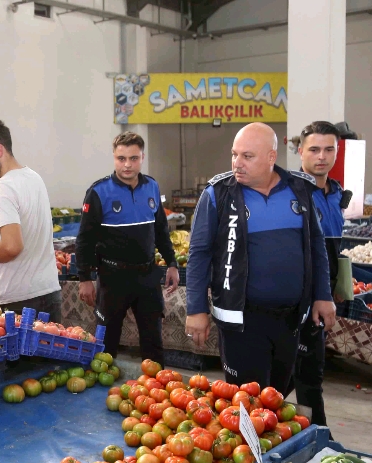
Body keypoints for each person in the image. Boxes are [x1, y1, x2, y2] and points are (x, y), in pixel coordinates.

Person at [185, 123, 335, 394]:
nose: (237, 163)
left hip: (290, 320)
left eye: (247, 156)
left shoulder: (299, 191)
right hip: (241, 323)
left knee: (277, 396)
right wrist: (196, 310)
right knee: (247, 401)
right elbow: (198, 255)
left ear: (271, 157)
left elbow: (316, 245)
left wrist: (323, 295)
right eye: (234, 154)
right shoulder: (217, 194)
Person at [75, 132, 178, 363]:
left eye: (133, 158)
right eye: (121, 159)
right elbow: (84, 240)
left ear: (142, 157)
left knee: (153, 343)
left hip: (147, 276)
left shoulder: (152, 186)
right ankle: (101, 395)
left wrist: (171, 262)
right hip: (113, 279)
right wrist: (84, 278)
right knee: (106, 344)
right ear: (114, 158)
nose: (127, 165)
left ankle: (155, 393)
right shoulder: (98, 192)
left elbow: (161, 229)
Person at [0, 118, 60, 320]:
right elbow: (8, 222)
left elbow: (11, 246)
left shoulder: (3, 187)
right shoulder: (33, 178)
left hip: (16, 300)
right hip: (48, 293)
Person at [290, 121, 351, 427]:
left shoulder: (336, 194)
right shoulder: (289, 194)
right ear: (300, 151)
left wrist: (337, 286)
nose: (321, 156)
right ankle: (319, 439)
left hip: (323, 293)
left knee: (295, 374)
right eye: (314, 149)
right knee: (308, 375)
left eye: (329, 149)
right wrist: (316, 295)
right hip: (297, 296)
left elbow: (333, 248)